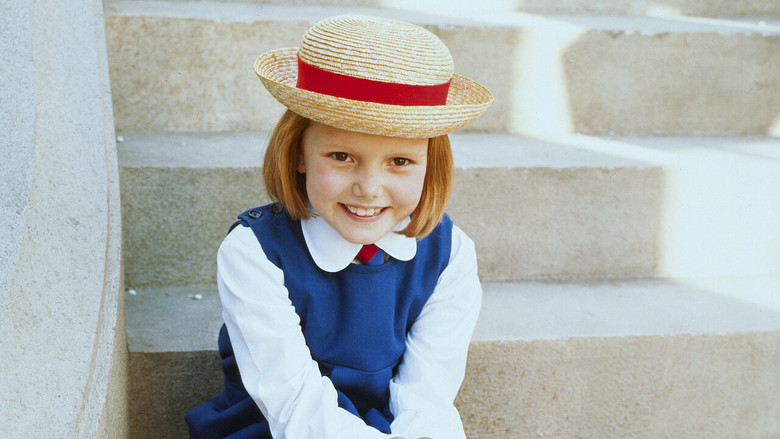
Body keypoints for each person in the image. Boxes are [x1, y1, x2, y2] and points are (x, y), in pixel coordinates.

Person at [185, 14, 493, 439]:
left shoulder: (448, 253)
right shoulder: (255, 251)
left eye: (399, 161)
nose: (369, 188)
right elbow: (294, 403)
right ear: (297, 154)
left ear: (429, 166)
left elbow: (427, 397)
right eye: (341, 156)